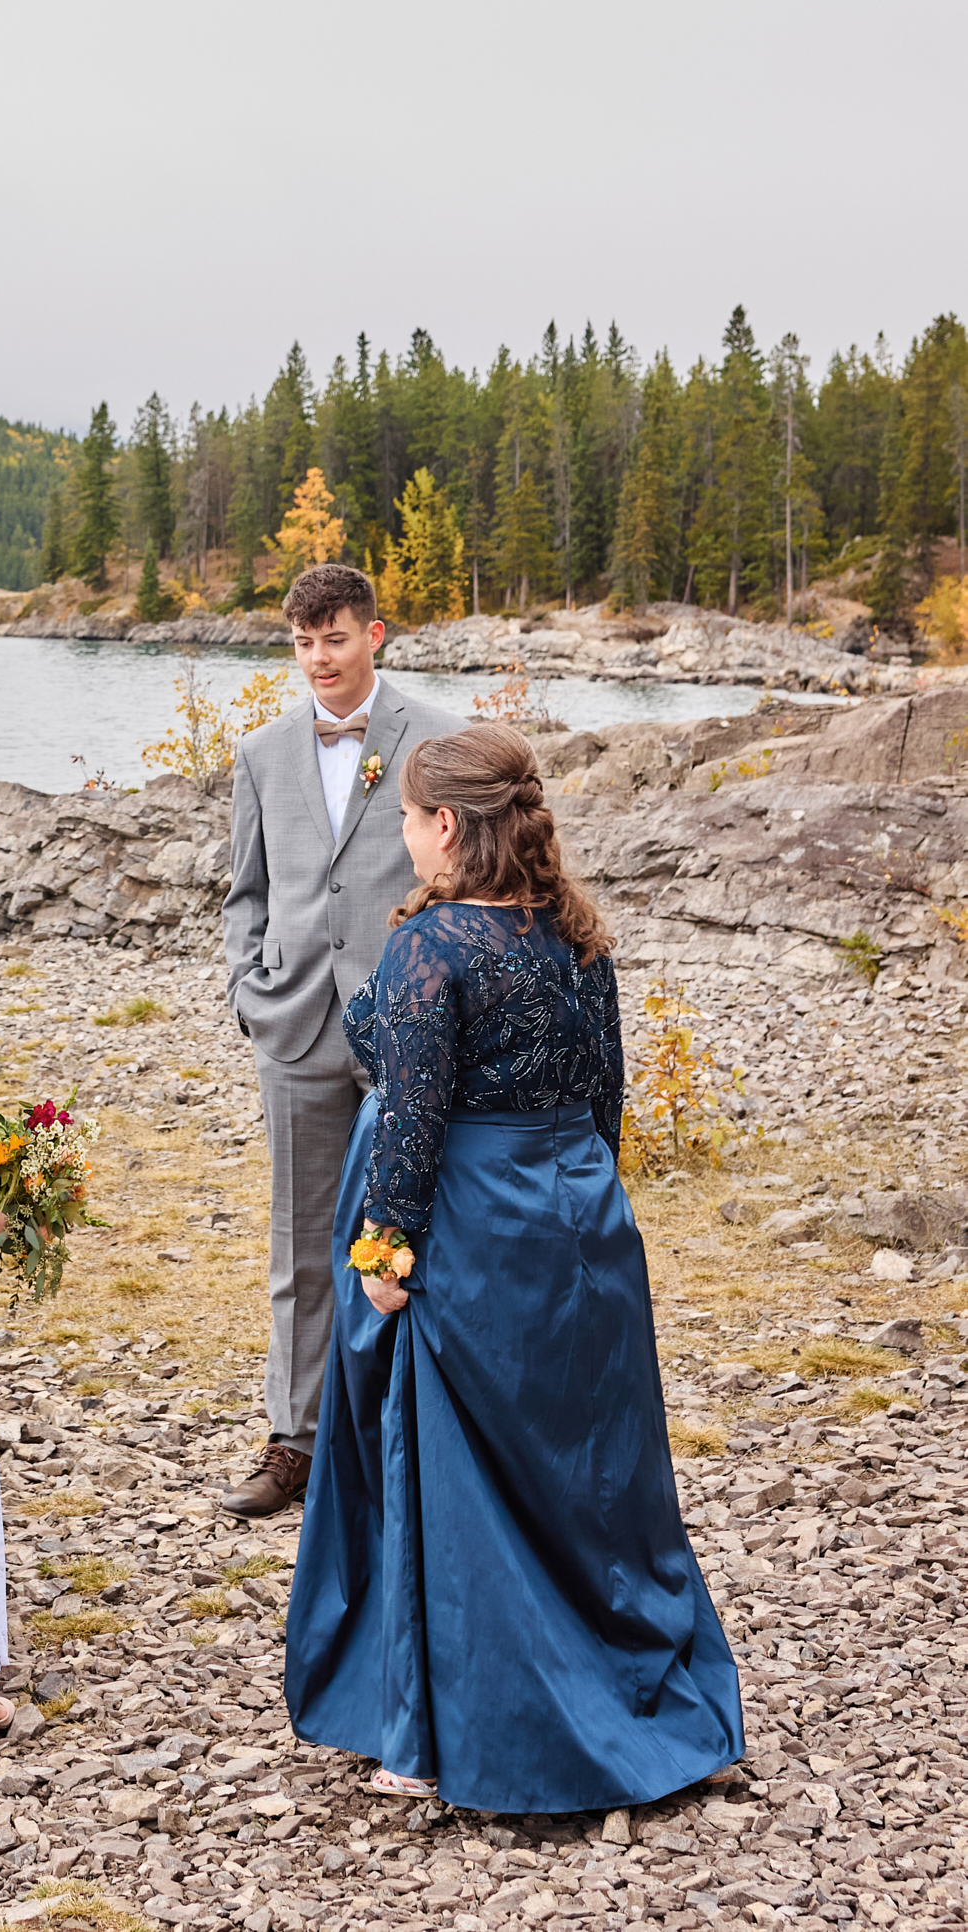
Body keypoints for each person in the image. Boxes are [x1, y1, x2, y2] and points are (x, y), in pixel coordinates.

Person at [283, 722, 744, 1811]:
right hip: (581, 1219)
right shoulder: (579, 936)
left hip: (477, 1226)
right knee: (591, 1468)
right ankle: (635, 1685)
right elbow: (606, 1104)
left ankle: (446, 1730)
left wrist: (386, 1252)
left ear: (446, 826)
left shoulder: (432, 948)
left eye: (405, 817)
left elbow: (413, 1121)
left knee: (462, 1479)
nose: (403, 836)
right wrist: (584, 1204)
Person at [220, 562, 460, 1517]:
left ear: (376, 635)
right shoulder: (261, 754)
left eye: (336, 638)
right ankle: (295, 1442)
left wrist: (450, 996)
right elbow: (244, 892)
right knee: (299, 1242)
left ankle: (412, 1434)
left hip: (410, 1025)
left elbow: (465, 871)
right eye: (304, 642)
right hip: (295, 1028)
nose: (319, 658)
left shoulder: (437, 739)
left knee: (417, 1228)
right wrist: (250, 992)